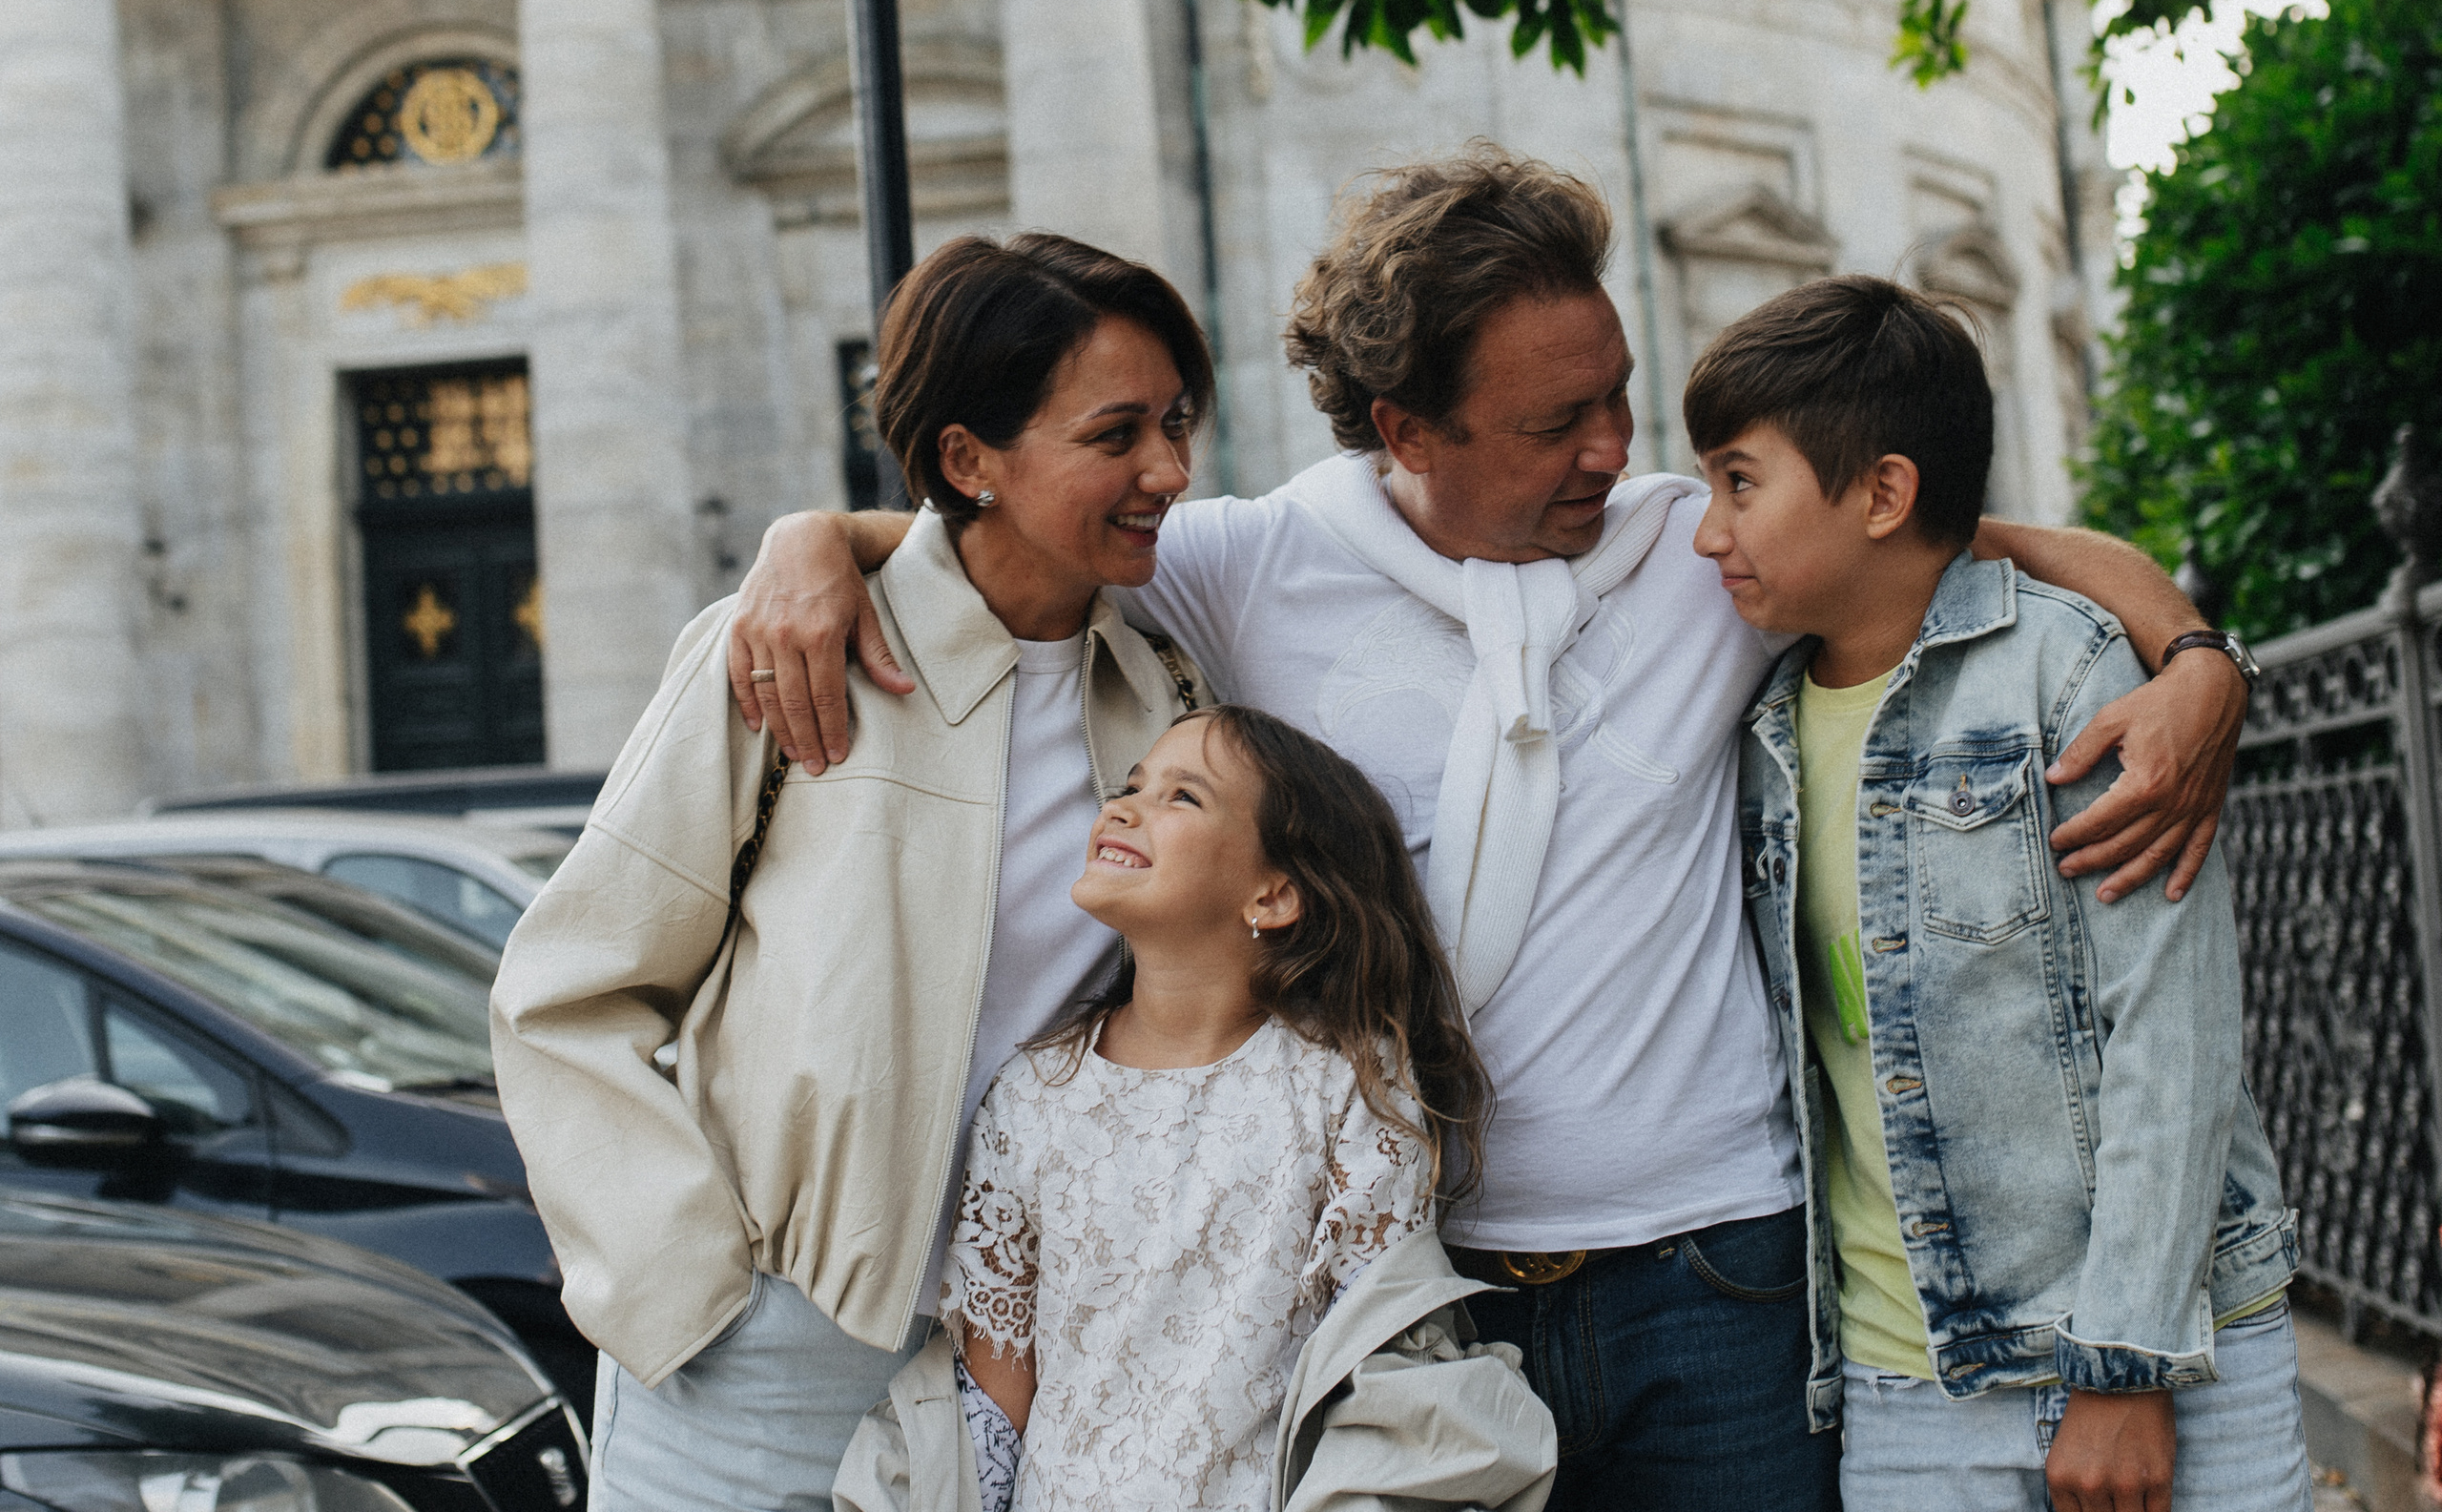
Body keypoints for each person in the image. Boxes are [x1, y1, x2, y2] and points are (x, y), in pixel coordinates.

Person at [729, 147, 2255, 1508]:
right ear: (1407, 427)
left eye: (1618, 394)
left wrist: (2194, 658)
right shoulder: (1253, 566)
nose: (1612, 446)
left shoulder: (1699, 547)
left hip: (1720, 1283)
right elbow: (1022, 530)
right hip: (1427, 1306)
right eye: (1554, 421)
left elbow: (1961, 537)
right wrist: (816, 542)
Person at [487, 232, 1217, 1508]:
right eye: (1117, 435)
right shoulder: (783, 653)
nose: (1168, 468)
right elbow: (568, 993)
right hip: (761, 1355)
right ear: (966, 460)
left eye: (1176, 422)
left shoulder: (1161, 693)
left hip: (1020, 1356)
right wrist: (687, 1290)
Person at [1691, 275, 2306, 1512]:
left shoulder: (2067, 674)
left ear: (1884, 493)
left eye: (1739, 482)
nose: (1708, 531)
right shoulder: (1751, 723)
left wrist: (2122, 1365)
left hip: (2173, 1349)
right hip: (1909, 1386)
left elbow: (2172, 1033)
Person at [834, 704, 1556, 1512]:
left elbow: (1381, 1362)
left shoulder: (1344, 1084)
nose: (1124, 805)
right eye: (1133, 783)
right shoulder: (1032, 1097)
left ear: (1274, 894)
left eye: (1183, 797)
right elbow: (992, 1411)